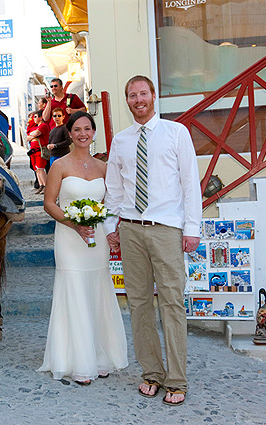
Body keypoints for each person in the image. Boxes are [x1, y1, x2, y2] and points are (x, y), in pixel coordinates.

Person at [103, 75, 201, 406]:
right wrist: (109, 226)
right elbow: (114, 187)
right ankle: (152, 373)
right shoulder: (121, 140)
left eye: (143, 93)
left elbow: (190, 183)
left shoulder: (177, 133)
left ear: (154, 96)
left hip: (167, 229)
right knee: (140, 304)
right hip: (130, 230)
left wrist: (192, 228)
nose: (138, 99)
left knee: (172, 304)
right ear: (127, 101)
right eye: (132, 95)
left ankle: (177, 379)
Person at [38, 111, 128, 385]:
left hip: (96, 238)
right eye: (77, 129)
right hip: (69, 238)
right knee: (75, 291)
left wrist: (112, 231)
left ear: (93, 132)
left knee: (97, 291)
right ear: (69, 133)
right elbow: (49, 203)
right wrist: (73, 224)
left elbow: (112, 204)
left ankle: (100, 356)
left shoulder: (103, 167)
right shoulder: (60, 166)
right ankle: (77, 360)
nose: (82, 134)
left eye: (87, 128)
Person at [26, 110, 50, 194]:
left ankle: (46, 186)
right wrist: (32, 135)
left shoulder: (43, 126)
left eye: (35, 117)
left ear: (41, 117)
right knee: (37, 169)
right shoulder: (35, 126)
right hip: (34, 151)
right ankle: (41, 185)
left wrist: (32, 136)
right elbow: (28, 136)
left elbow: (36, 133)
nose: (34, 119)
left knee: (41, 168)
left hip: (40, 150)